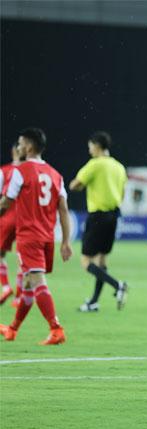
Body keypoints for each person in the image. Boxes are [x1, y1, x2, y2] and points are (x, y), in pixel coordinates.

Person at [0, 128, 72, 345]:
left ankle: (56, 328)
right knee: (29, 285)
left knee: (37, 281)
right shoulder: (55, 174)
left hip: (29, 237)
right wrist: (66, 241)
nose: (19, 147)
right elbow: (64, 209)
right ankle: (12, 329)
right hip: (47, 237)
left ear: (29, 146)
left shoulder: (21, 171)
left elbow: (5, 203)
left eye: (21, 143)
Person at [69, 131, 128, 312]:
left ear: (97, 145)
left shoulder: (95, 165)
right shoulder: (119, 167)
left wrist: (83, 185)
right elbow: (122, 193)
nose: (89, 151)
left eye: (90, 147)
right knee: (101, 260)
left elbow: (74, 184)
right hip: (113, 215)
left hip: (98, 216)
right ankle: (94, 302)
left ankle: (118, 285)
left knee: (86, 262)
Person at [0, 143, 25, 306]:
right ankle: (19, 296)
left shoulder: (4, 170)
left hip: (7, 218)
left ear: (12, 151)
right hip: (25, 220)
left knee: (0, 255)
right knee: (22, 258)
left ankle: (6, 287)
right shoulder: (30, 171)